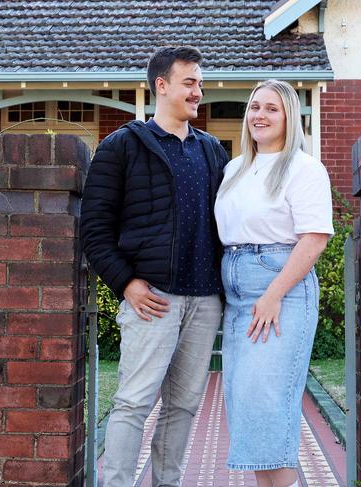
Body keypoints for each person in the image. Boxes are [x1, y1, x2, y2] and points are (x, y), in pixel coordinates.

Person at [80, 46, 229, 487]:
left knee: (183, 406)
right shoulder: (121, 147)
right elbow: (94, 229)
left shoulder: (212, 151)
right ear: (161, 85)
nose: (198, 92)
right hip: (153, 300)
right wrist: (126, 283)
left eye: (200, 83)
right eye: (190, 82)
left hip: (205, 301)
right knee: (133, 402)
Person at [214, 80, 334, 487]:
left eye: (272, 109)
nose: (259, 116)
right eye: (254, 107)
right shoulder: (234, 169)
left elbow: (315, 237)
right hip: (236, 290)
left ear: (289, 119)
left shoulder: (303, 167)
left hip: (278, 289)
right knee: (245, 406)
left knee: (267, 405)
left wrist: (272, 295)